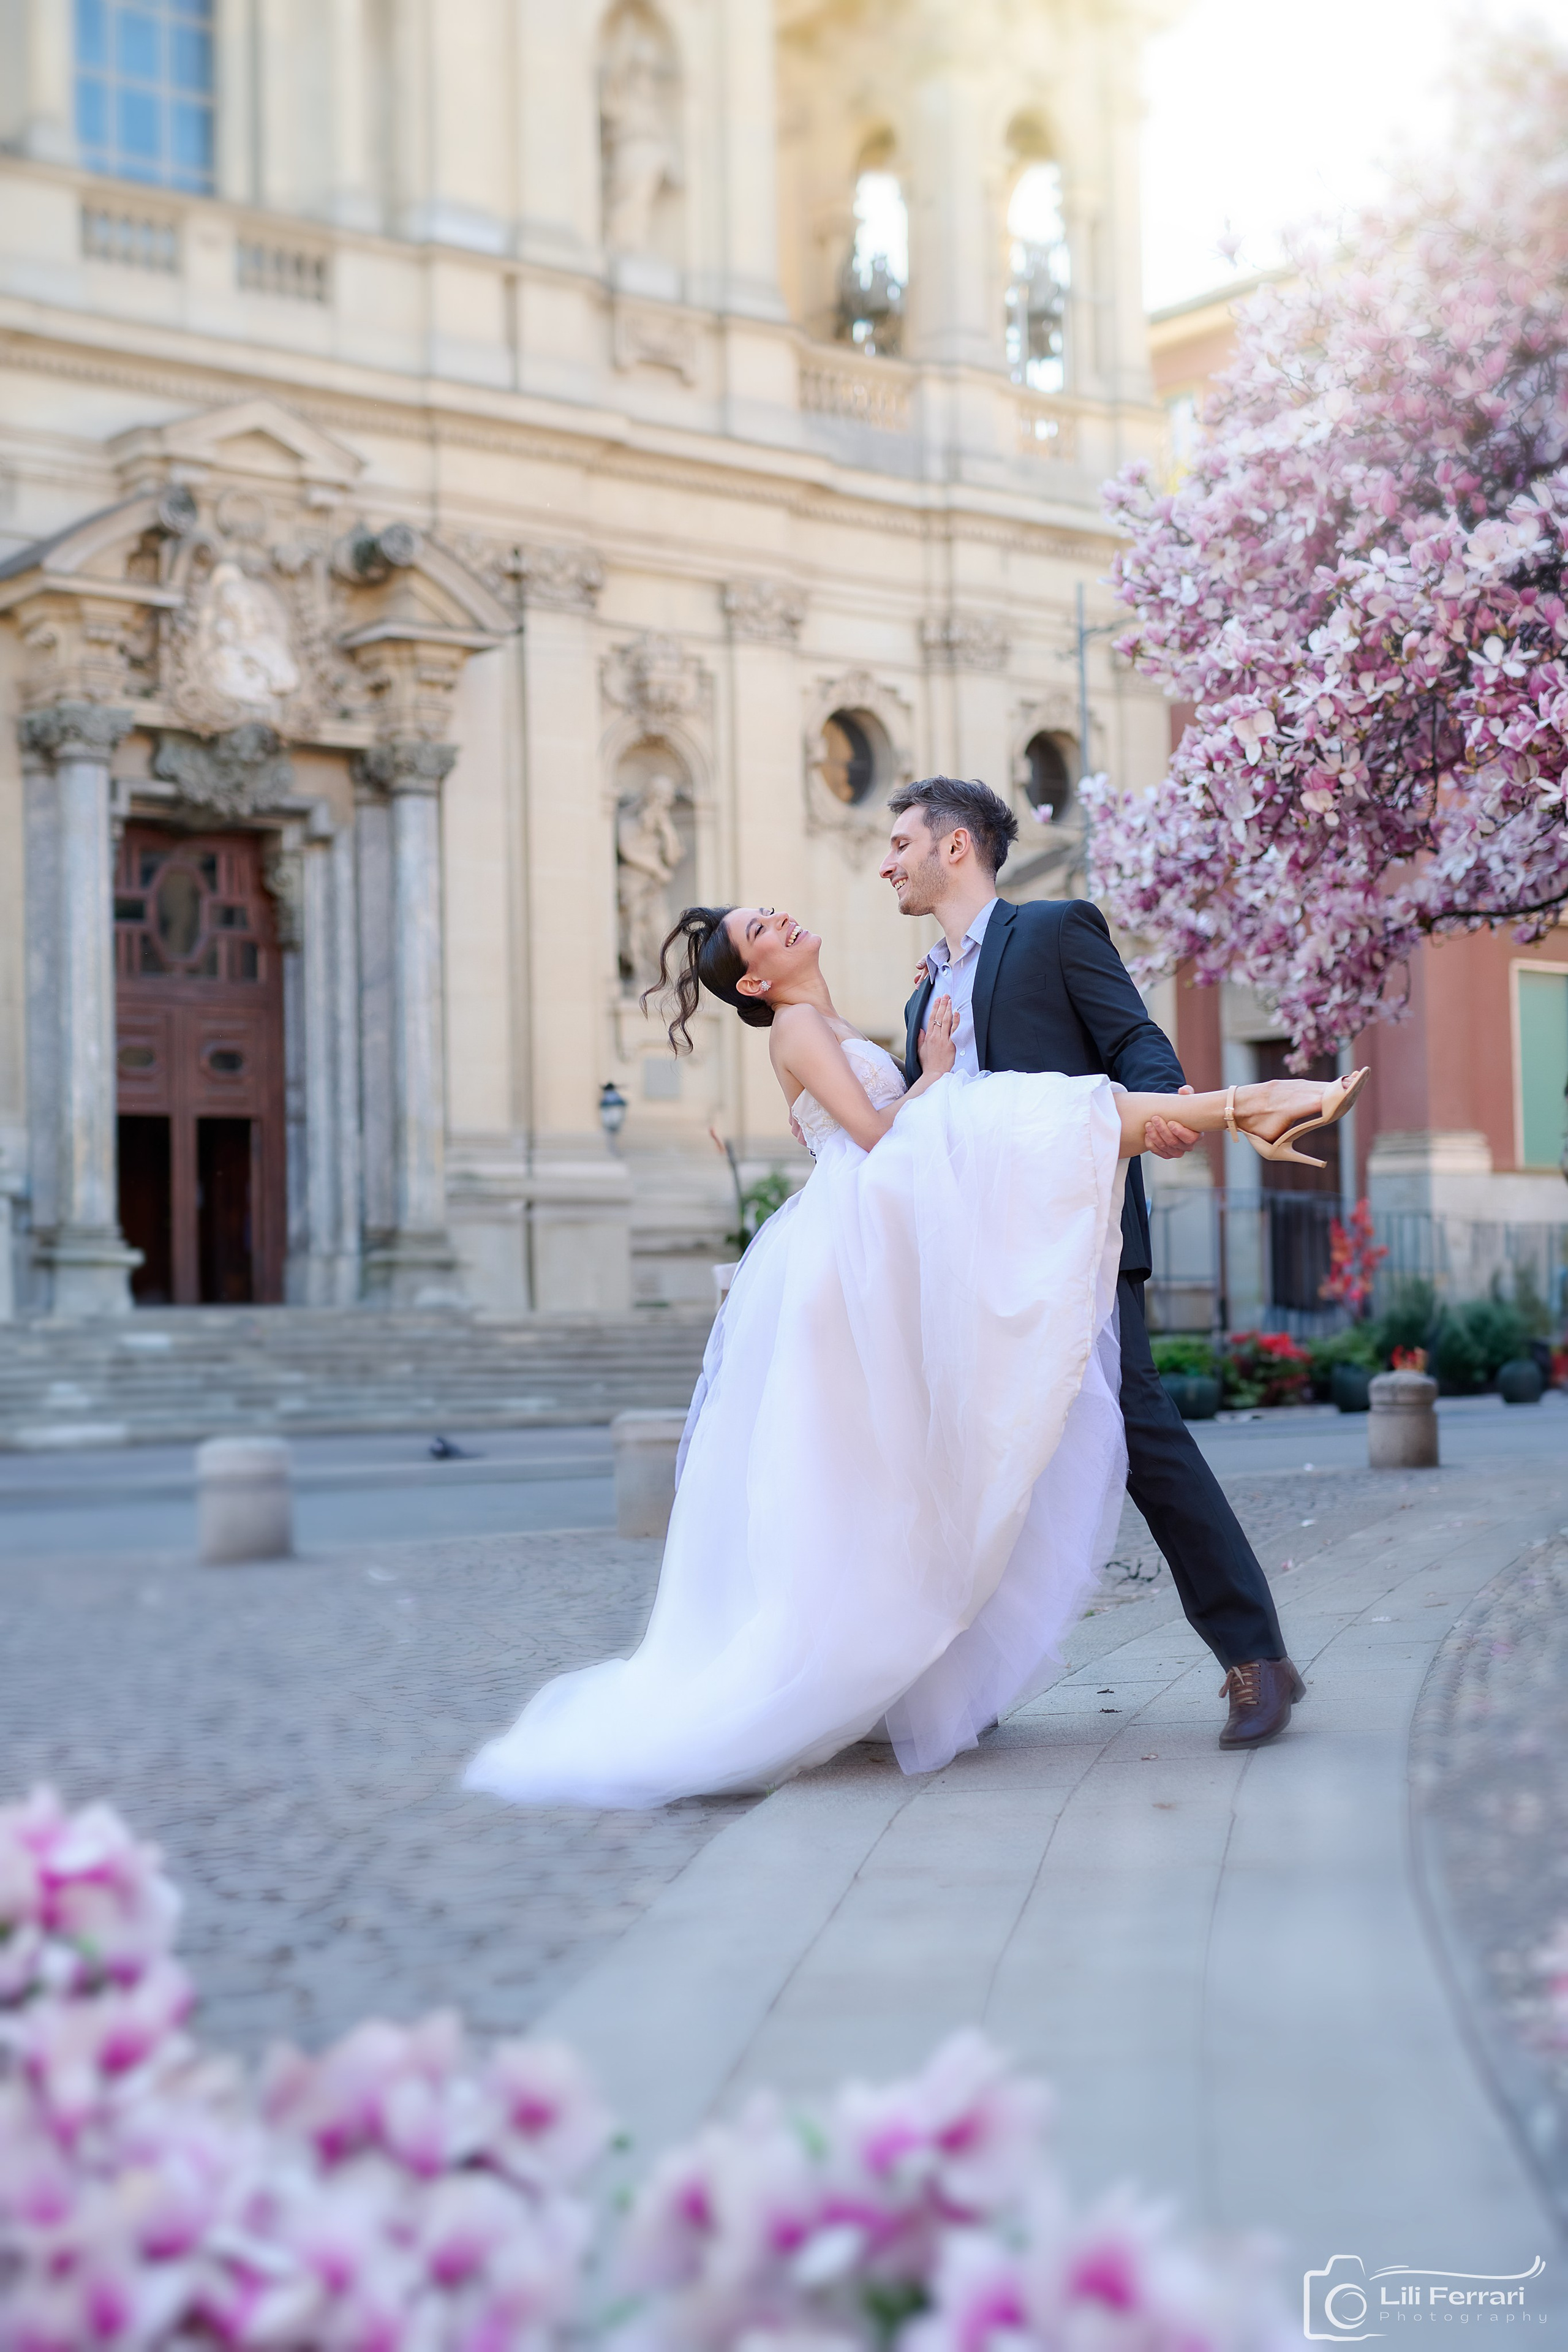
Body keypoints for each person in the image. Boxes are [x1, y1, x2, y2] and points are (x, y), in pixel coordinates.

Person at [463, 875, 1363, 1811]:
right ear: (755, 983)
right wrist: (932, 1072)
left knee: (926, 1457)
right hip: (869, 1252)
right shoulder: (806, 1027)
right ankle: (1249, 1105)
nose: (785, 914)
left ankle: (1243, 1107)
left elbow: (948, 1105)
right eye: (761, 927)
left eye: (770, 911)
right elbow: (877, 1134)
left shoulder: (896, 997)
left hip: (921, 1238)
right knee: (913, 1451)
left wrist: (941, 1081)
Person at [883, 775, 1308, 1749]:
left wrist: (1168, 1112)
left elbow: (1134, 1041)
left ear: (956, 847)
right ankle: (964, 1683)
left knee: (1140, 1432)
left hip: (1078, 1236)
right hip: (974, 1260)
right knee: (976, 1459)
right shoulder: (923, 997)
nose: (888, 862)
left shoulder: (1052, 930)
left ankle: (1255, 1657)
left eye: (903, 842)